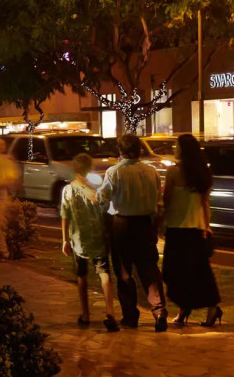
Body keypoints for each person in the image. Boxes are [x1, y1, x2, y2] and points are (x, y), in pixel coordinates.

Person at [98, 133, 167, 331]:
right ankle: (159, 310)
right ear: (139, 150)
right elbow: (158, 199)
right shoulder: (151, 171)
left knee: (124, 271)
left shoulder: (114, 172)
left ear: (120, 150)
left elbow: (103, 197)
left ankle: (130, 315)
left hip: (122, 223)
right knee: (149, 269)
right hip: (145, 223)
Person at [160, 133, 222, 328]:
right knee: (198, 271)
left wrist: (159, 220)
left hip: (177, 228)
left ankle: (187, 308)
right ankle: (201, 308)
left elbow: (167, 200)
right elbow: (205, 204)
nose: (173, 149)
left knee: (173, 272)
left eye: (176, 146)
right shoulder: (203, 173)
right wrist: (206, 226)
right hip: (195, 228)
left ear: (182, 150)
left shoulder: (173, 173)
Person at [60, 152, 118, 332]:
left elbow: (65, 216)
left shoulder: (69, 189)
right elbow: (107, 206)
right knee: (104, 272)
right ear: (90, 168)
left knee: (82, 276)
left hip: (79, 239)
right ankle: (110, 312)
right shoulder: (98, 187)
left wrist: (64, 240)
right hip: (98, 236)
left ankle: (86, 314)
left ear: (75, 169)